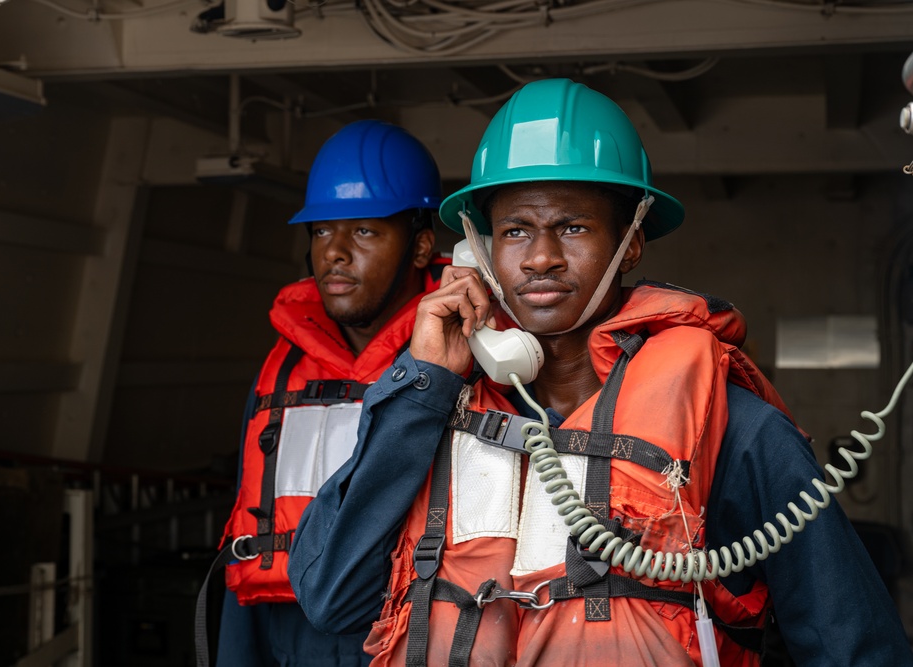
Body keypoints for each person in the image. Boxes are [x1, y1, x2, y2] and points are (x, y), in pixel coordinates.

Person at [288, 79, 913, 666]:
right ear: (478, 250)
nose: (541, 257)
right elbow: (333, 599)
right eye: (514, 230)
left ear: (631, 243)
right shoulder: (430, 413)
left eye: (573, 227)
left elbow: (852, 643)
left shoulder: (732, 428)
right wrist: (423, 386)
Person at [213, 119, 445, 667]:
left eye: (364, 231)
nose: (335, 252)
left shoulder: (461, 363)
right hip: (279, 625)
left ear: (420, 247)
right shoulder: (282, 365)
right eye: (321, 230)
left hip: (406, 629)